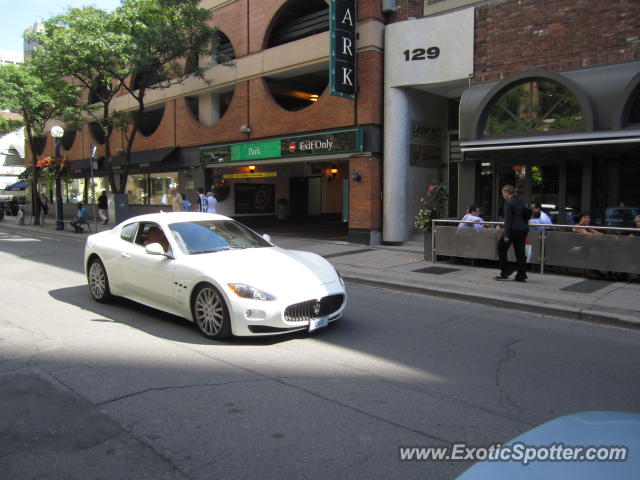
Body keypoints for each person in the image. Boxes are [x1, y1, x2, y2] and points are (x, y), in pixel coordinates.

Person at [495, 185, 530, 282]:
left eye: (503, 193)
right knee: (520, 253)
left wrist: (506, 235)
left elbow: (508, 219)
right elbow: (528, 212)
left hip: (512, 230)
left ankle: (504, 272)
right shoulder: (521, 200)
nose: (503, 195)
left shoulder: (508, 203)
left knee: (501, 248)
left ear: (506, 192)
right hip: (523, 229)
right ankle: (521, 275)